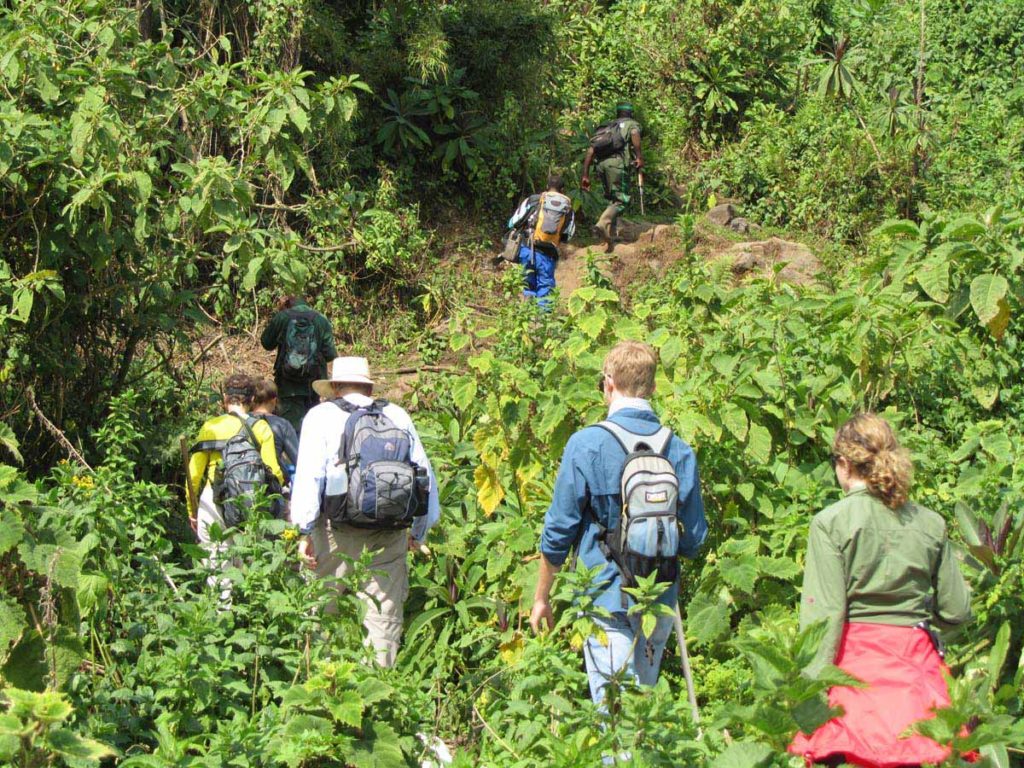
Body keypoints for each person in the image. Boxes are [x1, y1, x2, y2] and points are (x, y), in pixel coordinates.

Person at [529, 341, 707, 705]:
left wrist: (541, 597)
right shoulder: (679, 449)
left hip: (605, 599)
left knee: (615, 722)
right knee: (640, 715)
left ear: (608, 384)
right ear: (653, 388)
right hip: (658, 601)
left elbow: (558, 530)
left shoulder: (586, 444)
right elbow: (694, 540)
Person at [789, 413, 972, 768]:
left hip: (854, 671)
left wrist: (808, 695)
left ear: (843, 464)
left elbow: (824, 616)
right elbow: (957, 611)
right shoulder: (930, 523)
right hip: (916, 672)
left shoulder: (830, 523)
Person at [290, 356, 441, 668]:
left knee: (319, 612)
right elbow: (424, 475)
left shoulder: (320, 416)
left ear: (334, 387)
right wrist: (419, 531)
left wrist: (303, 530)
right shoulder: (396, 414)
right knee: (383, 617)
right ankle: (379, 690)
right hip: (390, 529)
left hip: (334, 532)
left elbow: (309, 476)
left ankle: (320, 683)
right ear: (368, 386)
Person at [186, 373, 285, 595]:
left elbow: (193, 474)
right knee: (251, 565)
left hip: (214, 499)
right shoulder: (260, 428)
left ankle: (222, 620)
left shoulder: (211, 426)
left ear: (224, 398)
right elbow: (274, 472)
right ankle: (250, 619)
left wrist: (192, 509)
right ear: (251, 400)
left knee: (216, 566)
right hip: (251, 500)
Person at [260, 295, 338, 434]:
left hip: (288, 385)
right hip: (314, 385)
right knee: (313, 429)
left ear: (287, 304)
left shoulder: (282, 317)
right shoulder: (320, 319)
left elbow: (266, 343)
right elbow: (330, 354)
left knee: (290, 432)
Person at [581, 103, 643, 250]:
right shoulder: (631, 124)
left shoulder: (607, 127)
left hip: (601, 166)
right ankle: (603, 223)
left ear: (618, 114)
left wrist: (585, 175)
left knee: (613, 199)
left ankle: (611, 233)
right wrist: (639, 156)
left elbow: (590, 151)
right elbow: (635, 135)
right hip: (616, 164)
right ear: (630, 114)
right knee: (621, 200)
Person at [506, 174, 576, 304]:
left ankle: (526, 313)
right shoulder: (568, 208)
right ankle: (542, 321)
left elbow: (513, 223)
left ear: (547, 186)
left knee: (527, 284)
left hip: (527, 249)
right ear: (562, 190)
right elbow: (569, 235)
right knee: (545, 289)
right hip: (547, 254)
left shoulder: (533, 200)